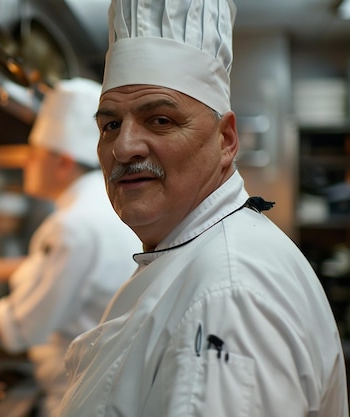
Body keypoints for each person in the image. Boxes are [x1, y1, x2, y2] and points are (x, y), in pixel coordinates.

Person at [59, 1, 349, 416]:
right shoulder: (193, 256)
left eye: (160, 120)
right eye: (110, 125)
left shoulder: (227, 297)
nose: (124, 147)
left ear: (226, 140)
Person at [0, 77, 141, 417]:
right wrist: (2, 270)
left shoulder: (72, 225)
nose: (26, 163)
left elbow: (27, 322)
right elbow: (77, 271)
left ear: (63, 163)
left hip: (81, 401)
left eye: (34, 154)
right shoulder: (103, 206)